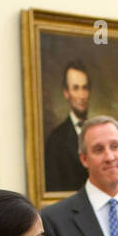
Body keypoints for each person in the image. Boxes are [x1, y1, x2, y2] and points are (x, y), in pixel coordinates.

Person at [45, 61, 91, 192]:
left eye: (85, 88)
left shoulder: (100, 135)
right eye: (76, 88)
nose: (81, 95)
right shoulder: (56, 139)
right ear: (66, 93)